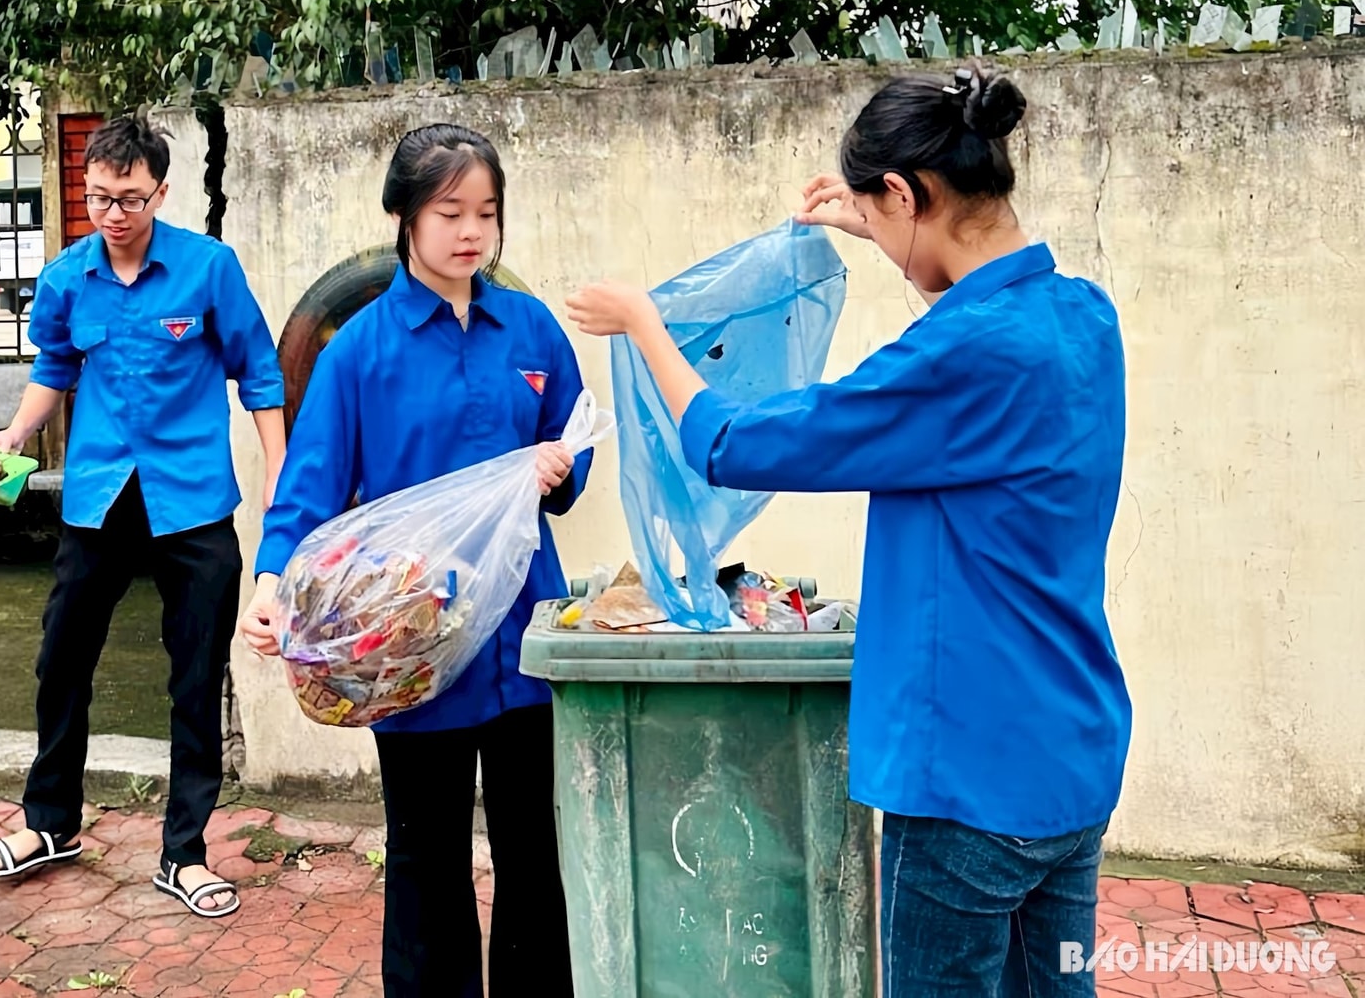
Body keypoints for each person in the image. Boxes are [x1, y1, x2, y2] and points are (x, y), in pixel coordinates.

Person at [566, 66, 1131, 998]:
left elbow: (731, 441)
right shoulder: (1083, 318)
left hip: (968, 784)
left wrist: (644, 323)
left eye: (882, 209)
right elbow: (971, 326)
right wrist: (873, 225)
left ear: (909, 192)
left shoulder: (958, 356)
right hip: (1071, 753)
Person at [240, 124, 591, 998]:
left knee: (535, 851)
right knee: (427, 856)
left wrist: (560, 467)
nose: (471, 232)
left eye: (487, 213)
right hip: (410, 647)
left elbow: (576, 444)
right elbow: (308, 485)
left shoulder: (532, 328)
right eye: (450, 212)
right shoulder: (362, 351)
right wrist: (270, 584)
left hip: (525, 641)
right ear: (404, 216)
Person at [0, 115, 287, 919]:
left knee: (193, 675)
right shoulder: (68, 276)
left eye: (130, 199)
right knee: (61, 658)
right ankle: (50, 824)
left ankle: (184, 852)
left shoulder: (208, 269)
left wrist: (284, 479)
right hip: (99, 496)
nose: (113, 213)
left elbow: (260, 376)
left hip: (193, 501)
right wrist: (13, 434)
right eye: (99, 198)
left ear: (161, 192)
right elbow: (55, 366)